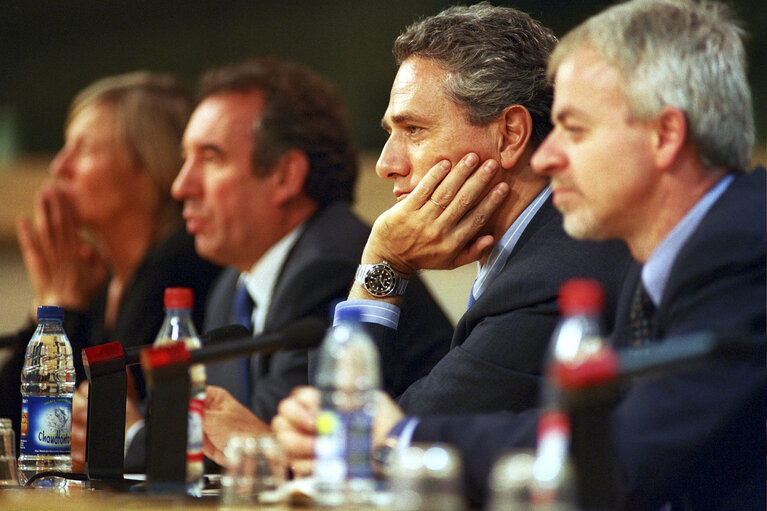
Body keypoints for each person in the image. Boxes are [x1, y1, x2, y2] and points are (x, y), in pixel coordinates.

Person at [275, 0, 766, 509]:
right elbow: (583, 434)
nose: (550, 155)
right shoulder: (674, 257)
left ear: (665, 136)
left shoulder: (737, 250)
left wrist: (396, 438)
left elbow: (619, 457)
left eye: (574, 130)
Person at [244, 1, 629, 467]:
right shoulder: (532, 253)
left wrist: (382, 264)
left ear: (510, 135)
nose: (388, 164)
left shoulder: (553, 274)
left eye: (414, 130)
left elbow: (367, 449)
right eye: (389, 132)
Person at [123, 58, 453, 468]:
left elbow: (264, 434)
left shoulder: (333, 264)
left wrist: (132, 437)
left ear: (285, 176)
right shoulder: (233, 284)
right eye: (185, 158)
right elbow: (224, 430)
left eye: (210, 158)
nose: (181, 186)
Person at [0, 72, 222, 469]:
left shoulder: (183, 267)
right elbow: (12, 427)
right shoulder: (101, 281)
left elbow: (63, 436)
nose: (59, 165)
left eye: (82, 149)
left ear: (149, 165)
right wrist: (53, 308)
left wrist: (61, 312)